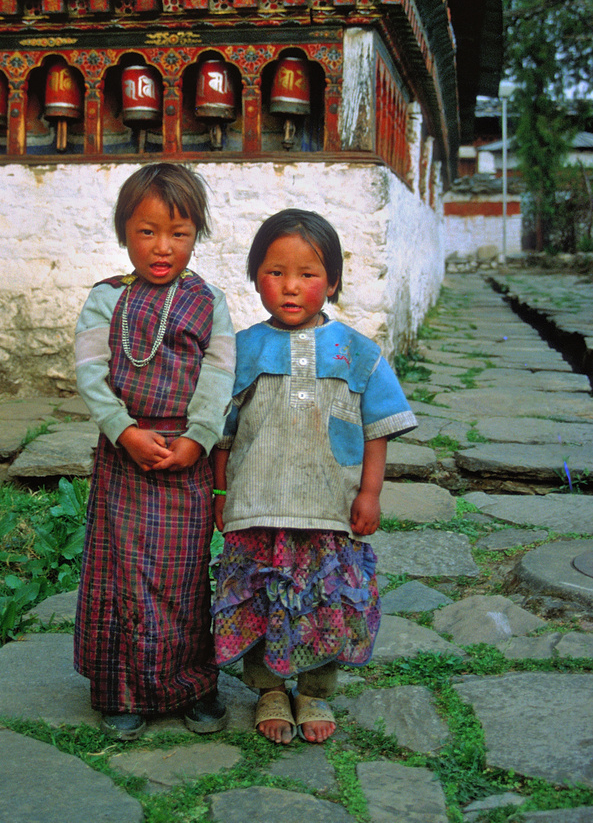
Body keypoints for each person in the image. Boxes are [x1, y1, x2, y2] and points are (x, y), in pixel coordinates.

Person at [211, 209, 416, 745]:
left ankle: (315, 688)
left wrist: (370, 493)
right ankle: (270, 689)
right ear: (255, 275)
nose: (291, 287)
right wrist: (220, 490)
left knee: (326, 600)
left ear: (334, 281)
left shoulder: (359, 352)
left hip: (330, 506)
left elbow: (378, 427)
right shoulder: (243, 349)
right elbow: (224, 433)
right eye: (275, 272)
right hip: (258, 504)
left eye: (308, 274)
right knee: (260, 597)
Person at [74, 162, 236, 741]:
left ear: (198, 234)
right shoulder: (105, 300)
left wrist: (198, 439)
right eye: (146, 231)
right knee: (122, 575)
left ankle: (192, 685)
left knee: (185, 575)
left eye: (179, 232)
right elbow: (91, 373)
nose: (162, 247)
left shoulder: (209, 302)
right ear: (124, 232)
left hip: (187, 462)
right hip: (126, 457)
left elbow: (219, 377)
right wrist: (124, 431)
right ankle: (123, 690)